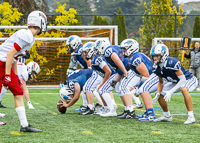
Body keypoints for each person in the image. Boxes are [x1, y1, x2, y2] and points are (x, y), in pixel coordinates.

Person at [0, 10, 48, 132]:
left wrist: (14, 75)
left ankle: (24, 126)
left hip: (6, 64)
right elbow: (10, 54)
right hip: (1, 63)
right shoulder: (26, 35)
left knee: (18, 92)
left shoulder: (29, 36)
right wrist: (7, 74)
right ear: (40, 22)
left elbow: (14, 57)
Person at [150, 44, 197, 124]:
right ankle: (167, 116)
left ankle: (191, 116)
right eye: (154, 56)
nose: (155, 58)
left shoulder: (172, 62)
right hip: (175, 81)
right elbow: (161, 82)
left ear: (164, 55)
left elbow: (182, 79)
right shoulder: (155, 67)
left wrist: (171, 92)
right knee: (159, 93)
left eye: (157, 56)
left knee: (184, 89)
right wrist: (158, 92)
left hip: (189, 79)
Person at [119, 39, 157, 121]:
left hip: (155, 76)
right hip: (152, 75)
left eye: (125, 49)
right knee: (138, 88)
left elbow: (146, 75)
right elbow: (140, 74)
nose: (123, 51)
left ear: (131, 49)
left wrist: (138, 88)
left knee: (143, 89)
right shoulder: (133, 57)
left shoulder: (135, 58)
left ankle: (150, 113)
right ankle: (145, 112)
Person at [93, 38, 130, 117]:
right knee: (119, 89)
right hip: (123, 71)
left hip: (125, 70)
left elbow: (117, 60)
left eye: (97, 48)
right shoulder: (114, 47)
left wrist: (125, 72)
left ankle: (111, 109)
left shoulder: (107, 50)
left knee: (103, 89)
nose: (97, 51)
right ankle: (128, 110)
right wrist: (116, 80)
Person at [80, 42, 116, 115]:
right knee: (98, 90)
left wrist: (103, 83)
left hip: (113, 76)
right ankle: (107, 108)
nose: (85, 54)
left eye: (86, 52)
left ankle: (110, 108)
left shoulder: (97, 59)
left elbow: (108, 71)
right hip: (110, 76)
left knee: (92, 88)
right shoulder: (95, 58)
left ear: (91, 51)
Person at [65, 35, 91, 111]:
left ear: (74, 44)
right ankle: (86, 105)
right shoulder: (77, 51)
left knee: (92, 88)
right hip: (90, 70)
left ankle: (98, 105)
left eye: (69, 46)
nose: (68, 48)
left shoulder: (80, 50)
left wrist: (90, 71)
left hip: (93, 70)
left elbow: (88, 60)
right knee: (84, 87)